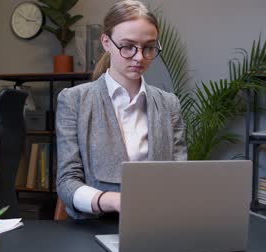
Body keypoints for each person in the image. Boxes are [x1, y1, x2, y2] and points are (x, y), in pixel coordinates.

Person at [56, 0, 187, 219]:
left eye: (149, 47)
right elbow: (67, 182)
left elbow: (179, 176)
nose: (139, 57)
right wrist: (113, 201)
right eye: (128, 46)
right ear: (107, 42)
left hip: (156, 223)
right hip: (94, 228)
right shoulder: (74, 101)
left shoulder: (168, 104)